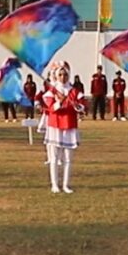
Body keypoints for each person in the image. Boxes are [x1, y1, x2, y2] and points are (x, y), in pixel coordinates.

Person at [42, 62, 82, 194]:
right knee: (54, 157)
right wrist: (58, 102)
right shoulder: (51, 92)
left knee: (68, 158)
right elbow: (50, 109)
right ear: (56, 76)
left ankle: (66, 184)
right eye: (60, 74)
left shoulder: (74, 91)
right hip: (55, 126)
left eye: (65, 74)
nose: (63, 77)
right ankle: (55, 184)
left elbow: (82, 106)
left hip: (69, 125)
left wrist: (78, 107)